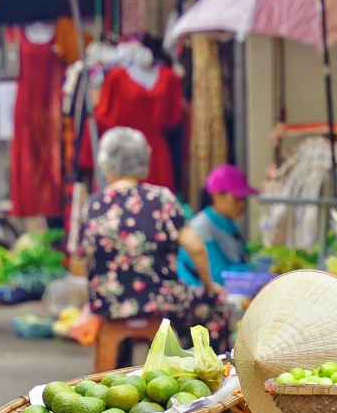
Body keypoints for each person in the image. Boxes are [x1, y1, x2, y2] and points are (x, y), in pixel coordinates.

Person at [83, 126, 230, 348]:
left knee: (122, 323)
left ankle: (120, 367)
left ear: (106, 164)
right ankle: (210, 370)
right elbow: (195, 247)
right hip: (160, 303)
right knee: (217, 306)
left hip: (108, 305)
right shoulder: (161, 199)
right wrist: (209, 285)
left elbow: (80, 260)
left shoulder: (93, 205)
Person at [178, 164, 257, 289]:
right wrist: (255, 271)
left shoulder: (229, 223)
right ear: (218, 195)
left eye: (244, 198)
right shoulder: (201, 228)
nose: (242, 204)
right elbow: (217, 276)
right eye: (237, 198)